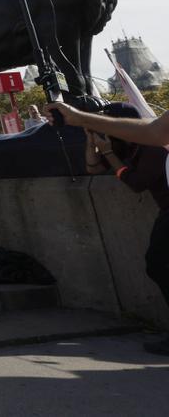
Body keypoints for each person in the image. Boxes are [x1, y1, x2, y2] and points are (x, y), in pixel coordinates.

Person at [78, 103, 169, 356]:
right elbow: (92, 169)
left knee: (158, 265)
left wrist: (109, 153)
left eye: (108, 123)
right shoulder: (128, 145)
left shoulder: (152, 146)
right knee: (158, 266)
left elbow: (137, 183)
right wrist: (92, 142)